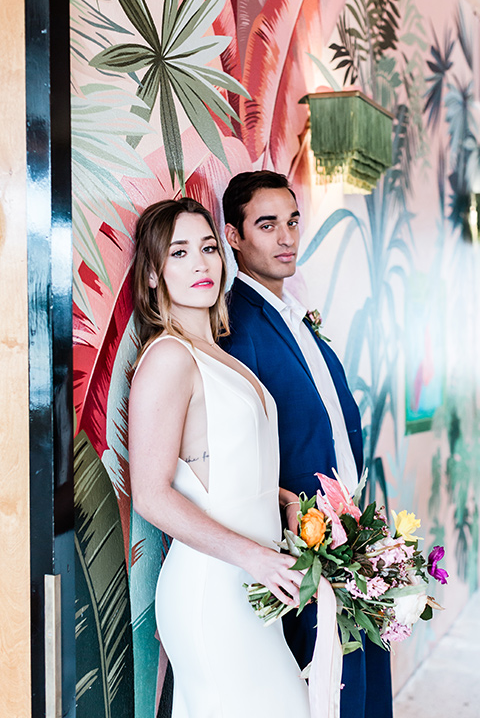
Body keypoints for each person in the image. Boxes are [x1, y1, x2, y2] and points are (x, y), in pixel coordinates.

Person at [128, 197, 310, 718]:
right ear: (154, 276)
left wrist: (282, 501)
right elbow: (152, 494)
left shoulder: (218, 355)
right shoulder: (168, 356)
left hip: (253, 585)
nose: (202, 263)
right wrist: (254, 556)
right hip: (214, 589)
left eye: (208, 247)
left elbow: (216, 470)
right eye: (179, 252)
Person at [220, 171, 393, 718]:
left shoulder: (294, 313)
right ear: (234, 236)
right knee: (327, 689)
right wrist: (293, 516)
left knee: (361, 679)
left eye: (292, 221)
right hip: (303, 542)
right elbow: (235, 446)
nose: (286, 237)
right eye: (266, 225)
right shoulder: (237, 324)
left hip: (347, 527)